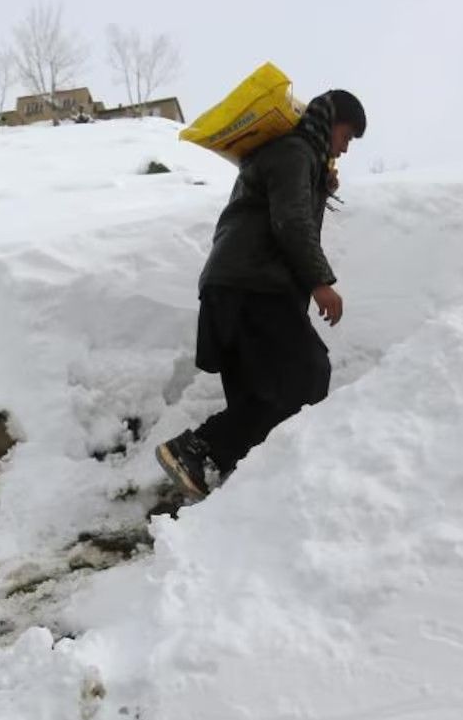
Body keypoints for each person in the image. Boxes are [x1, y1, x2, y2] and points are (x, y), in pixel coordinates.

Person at [156, 89, 365, 499]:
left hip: (231, 287)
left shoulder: (288, 156)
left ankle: (237, 482)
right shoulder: (294, 152)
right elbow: (291, 221)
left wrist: (319, 184)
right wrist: (321, 282)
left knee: (258, 392)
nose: (345, 146)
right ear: (330, 121)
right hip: (255, 286)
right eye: (347, 135)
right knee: (308, 374)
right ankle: (196, 449)